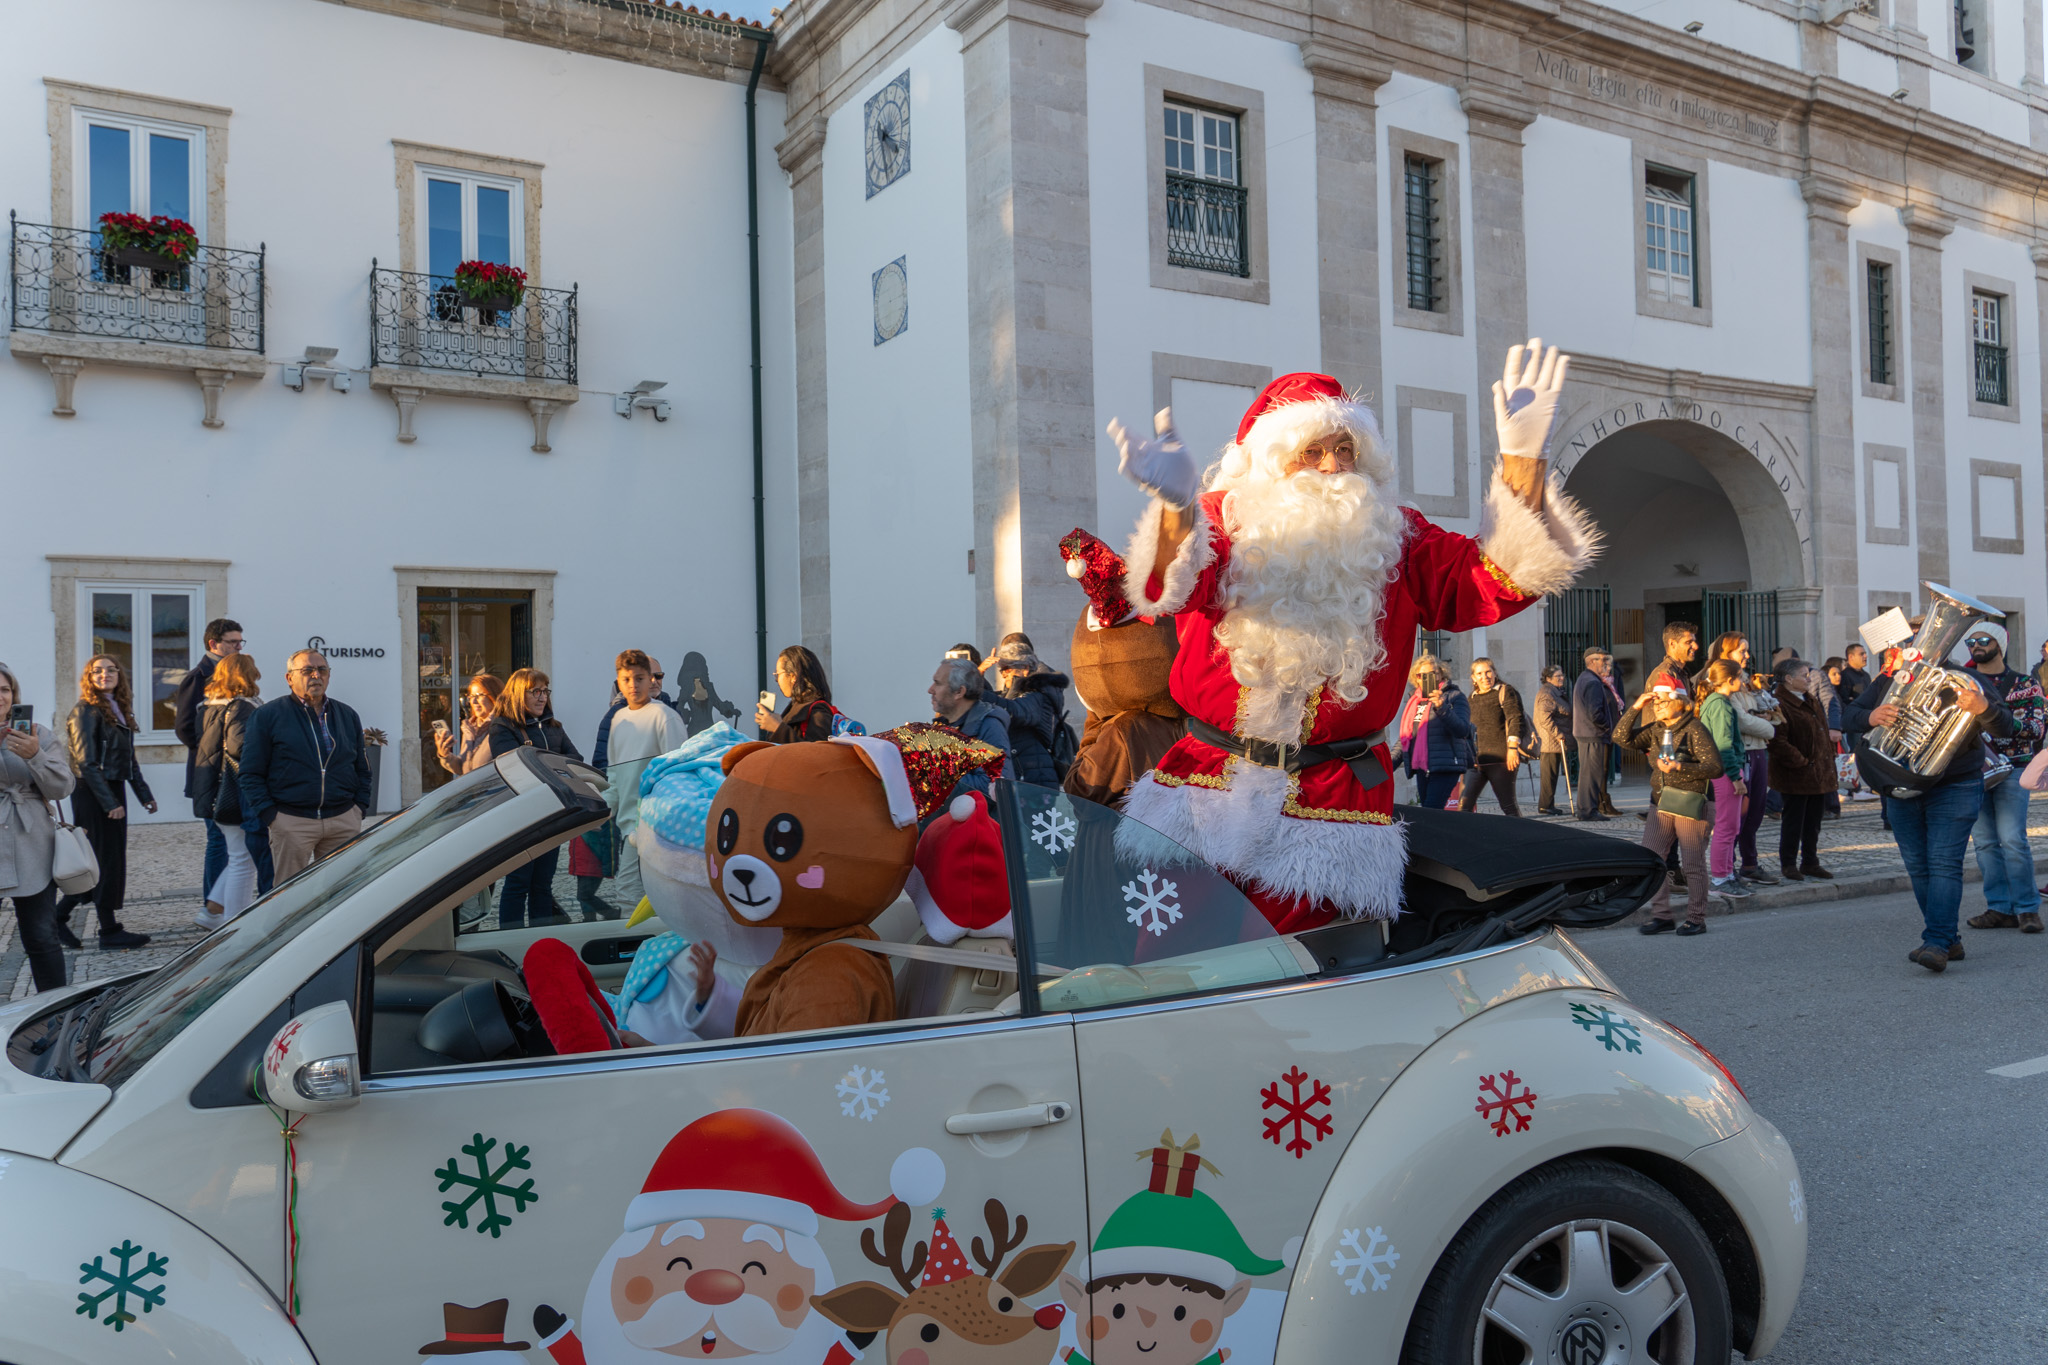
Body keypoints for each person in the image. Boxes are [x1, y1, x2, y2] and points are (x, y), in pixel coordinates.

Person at [1106, 344, 1598, 930]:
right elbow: (1170, 590)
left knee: (1307, 984)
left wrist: (1521, 461)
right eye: (1311, 453)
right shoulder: (1223, 525)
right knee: (1171, 970)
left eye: (1346, 450)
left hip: (1331, 806)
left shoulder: (1398, 538)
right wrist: (1177, 513)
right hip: (1203, 788)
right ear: (1267, 465)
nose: (1336, 467)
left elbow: (1496, 580)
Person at [1847, 637, 2014, 972]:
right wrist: (1872, 716)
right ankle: (1948, 940)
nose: (1923, 649)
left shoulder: (1969, 680)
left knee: (1943, 863)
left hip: (1955, 784)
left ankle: (1936, 941)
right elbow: (1851, 715)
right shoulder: (1894, 678)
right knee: (1918, 866)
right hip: (1900, 782)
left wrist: (1984, 708)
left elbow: (2006, 727)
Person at [239, 648, 373, 883]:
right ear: (290, 678)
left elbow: (361, 765)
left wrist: (358, 807)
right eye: (307, 670)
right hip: (292, 821)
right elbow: (250, 773)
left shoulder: (346, 715)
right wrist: (272, 815)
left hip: (342, 819)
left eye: (322, 670)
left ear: (329, 675)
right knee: (288, 897)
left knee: (341, 892)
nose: (315, 676)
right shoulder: (268, 716)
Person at [56, 655, 156, 950]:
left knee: (108, 860)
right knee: (99, 861)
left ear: (119, 675)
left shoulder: (117, 708)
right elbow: (86, 763)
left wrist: (144, 793)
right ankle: (106, 930)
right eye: (97, 671)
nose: (104, 675)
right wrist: (109, 802)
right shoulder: (85, 711)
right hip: (92, 792)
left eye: (111, 669)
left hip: (111, 788)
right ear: (89, 677)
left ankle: (63, 918)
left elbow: (127, 759)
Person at [1959, 622, 2046, 933]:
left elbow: (2036, 730)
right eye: (1971, 641)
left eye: (1983, 640)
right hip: (1974, 771)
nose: (1976, 646)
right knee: (1983, 843)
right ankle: (1998, 907)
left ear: (1999, 644)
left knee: (2012, 840)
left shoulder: (2025, 684)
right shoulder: (1965, 683)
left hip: (2014, 769)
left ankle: (2027, 909)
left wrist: (1994, 722)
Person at [1618, 682, 1723, 935]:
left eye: (1662, 701)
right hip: (1661, 802)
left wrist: (1679, 768)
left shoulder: (1694, 728)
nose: (1658, 706)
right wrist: (1636, 706)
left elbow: (1715, 768)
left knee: (1692, 863)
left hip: (1691, 802)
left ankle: (1696, 918)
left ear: (1680, 702)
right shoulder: (1656, 729)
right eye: (1655, 702)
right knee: (1653, 860)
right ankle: (1662, 915)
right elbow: (1621, 737)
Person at [0, 661, 79, 991]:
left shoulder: (38, 734)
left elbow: (62, 788)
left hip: (31, 843)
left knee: (42, 936)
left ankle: (54, 1018)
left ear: (14, 694)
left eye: (4, 689)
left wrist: (35, 756)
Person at [486, 668, 583, 927]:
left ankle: (542, 938)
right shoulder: (501, 727)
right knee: (518, 882)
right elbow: (515, 769)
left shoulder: (554, 727)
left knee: (543, 883)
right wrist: (556, 765)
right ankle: (512, 941)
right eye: (536, 692)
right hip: (520, 817)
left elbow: (577, 760)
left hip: (552, 813)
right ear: (520, 694)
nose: (542, 698)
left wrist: (543, 763)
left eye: (545, 691)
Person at [604, 649, 687, 913]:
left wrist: (663, 819)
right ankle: (635, 953)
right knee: (627, 896)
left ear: (650, 679)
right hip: (630, 828)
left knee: (665, 895)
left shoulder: (665, 717)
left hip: (658, 826)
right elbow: (615, 776)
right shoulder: (618, 719)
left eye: (639, 678)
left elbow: (676, 775)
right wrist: (602, 810)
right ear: (618, 681)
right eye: (626, 679)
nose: (633, 685)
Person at [171, 617, 243, 915]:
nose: (239, 647)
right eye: (233, 642)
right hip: (211, 774)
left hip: (227, 774)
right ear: (214, 644)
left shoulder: (232, 672)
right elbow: (185, 727)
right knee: (218, 841)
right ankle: (213, 910)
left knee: (230, 843)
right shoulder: (199, 675)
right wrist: (212, 749)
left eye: (241, 642)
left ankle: (219, 905)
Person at [1699, 631, 1780, 885]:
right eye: (1741, 651)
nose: (1747, 655)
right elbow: (1740, 720)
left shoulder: (1745, 681)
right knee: (1732, 821)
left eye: (1747, 650)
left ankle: (1748, 863)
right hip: (1738, 756)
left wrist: (1766, 718)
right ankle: (1726, 872)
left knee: (1754, 812)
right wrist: (1769, 727)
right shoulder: (1722, 686)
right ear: (1726, 654)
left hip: (1757, 750)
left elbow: (1768, 711)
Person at [191, 654, 264, 930]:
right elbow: (240, 749)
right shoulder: (243, 707)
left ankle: (213, 910)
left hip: (214, 790)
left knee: (238, 854)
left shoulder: (207, 707)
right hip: (235, 792)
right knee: (243, 861)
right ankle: (233, 925)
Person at [1766, 657, 1836, 882]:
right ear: (1788, 679)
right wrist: (1802, 762)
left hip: (1817, 772)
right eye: (1804, 675)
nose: (1809, 679)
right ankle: (1788, 864)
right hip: (1795, 773)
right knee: (1793, 821)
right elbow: (1778, 741)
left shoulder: (1809, 698)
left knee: (1813, 822)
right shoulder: (1778, 702)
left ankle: (1810, 862)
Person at [1697, 661, 1753, 898]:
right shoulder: (1719, 704)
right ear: (1729, 680)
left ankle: (1727, 875)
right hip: (1724, 773)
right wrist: (1735, 777)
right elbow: (1723, 745)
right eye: (1740, 677)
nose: (1743, 681)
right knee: (1726, 827)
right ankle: (1720, 878)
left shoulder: (1717, 702)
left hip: (1723, 772)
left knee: (1731, 826)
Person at [991, 638, 1071, 787]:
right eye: (1001, 669)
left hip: (1035, 779)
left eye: (1007, 668)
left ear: (1025, 668)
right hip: (1023, 775)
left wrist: (1013, 685)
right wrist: (977, 675)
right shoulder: (1015, 692)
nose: (1003, 674)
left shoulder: (1039, 695)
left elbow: (1013, 711)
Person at [1397, 662, 1472, 809]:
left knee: (1431, 809)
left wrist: (1442, 707)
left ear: (1441, 674)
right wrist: (1389, 764)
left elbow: (1462, 730)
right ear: (1416, 678)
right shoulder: (1415, 701)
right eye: (1421, 675)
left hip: (1446, 766)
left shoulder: (1455, 696)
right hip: (1422, 769)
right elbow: (1406, 738)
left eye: (1432, 673)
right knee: (1429, 812)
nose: (1426, 678)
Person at [1459, 657, 1525, 816]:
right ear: (1474, 677)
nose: (1485, 676)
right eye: (1480, 673)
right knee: (1463, 806)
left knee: (1508, 806)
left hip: (1501, 759)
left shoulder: (1505, 691)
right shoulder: (1472, 697)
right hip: (1476, 762)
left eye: (1488, 671)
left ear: (1495, 672)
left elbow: (1515, 718)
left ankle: (1521, 837)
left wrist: (1512, 748)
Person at [592, 657, 672, 770]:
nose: (654, 681)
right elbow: (602, 764)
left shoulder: (671, 710)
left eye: (658, 676)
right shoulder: (615, 716)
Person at [930, 655, 1012, 760]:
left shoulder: (990, 727)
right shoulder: (941, 727)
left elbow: (996, 775)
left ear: (959, 692)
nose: (930, 690)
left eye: (938, 683)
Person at [1571, 649, 1622, 821]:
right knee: (1592, 775)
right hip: (1592, 734)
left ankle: (1586, 809)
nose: (1606, 663)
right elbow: (1595, 713)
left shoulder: (1585, 679)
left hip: (1587, 733)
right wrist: (1607, 728)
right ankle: (1588, 811)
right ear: (1592, 661)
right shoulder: (1592, 682)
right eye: (1602, 660)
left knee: (1588, 774)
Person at [756, 645, 836, 743]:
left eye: (778, 674)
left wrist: (778, 728)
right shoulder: (797, 707)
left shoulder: (818, 712)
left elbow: (817, 754)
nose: (776, 680)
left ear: (793, 676)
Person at [436, 672, 502, 777]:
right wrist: (446, 755)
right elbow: (464, 769)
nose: (474, 701)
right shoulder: (469, 727)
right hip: (473, 792)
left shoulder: (502, 727)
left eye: (480, 695)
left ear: (495, 697)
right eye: (471, 696)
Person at [1532, 663, 1575, 815]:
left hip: (1554, 742)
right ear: (1548, 678)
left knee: (1553, 774)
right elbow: (1545, 718)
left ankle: (1548, 804)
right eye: (1558, 676)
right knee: (1549, 776)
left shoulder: (1554, 691)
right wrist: (1558, 734)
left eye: (1562, 675)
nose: (1561, 678)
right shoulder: (1547, 693)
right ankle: (1545, 805)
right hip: (1550, 742)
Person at [673, 651, 740, 735]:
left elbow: (719, 705)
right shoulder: (687, 688)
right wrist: (684, 714)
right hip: (694, 731)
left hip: (710, 730)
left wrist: (731, 711)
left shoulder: (709, 687)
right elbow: (679, 707)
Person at [1649, 622, 1699, 696]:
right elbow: (1670, 706)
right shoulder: (1665, 673)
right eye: (1688, 642)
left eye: (1694, 641)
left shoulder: (1681, 672)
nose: (1696, 646)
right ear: (1672, 644)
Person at [1839, 643, 1872, 708]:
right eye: (1861, 654)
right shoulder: (1845, 675)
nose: (1865, 656)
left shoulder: (1866, 676)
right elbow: (1844, 699)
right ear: (1851, 657)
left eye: (1865, 653)